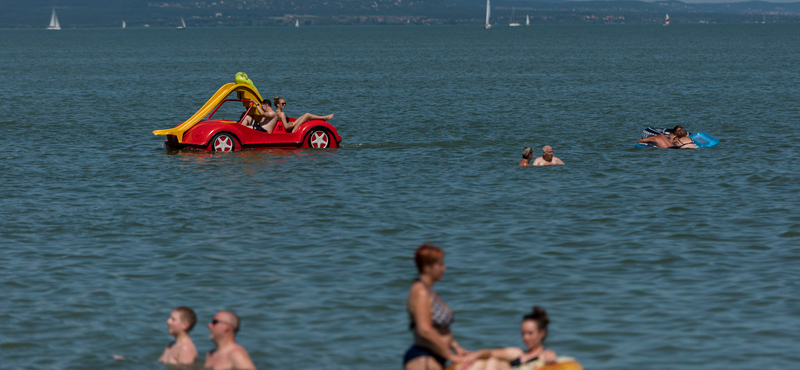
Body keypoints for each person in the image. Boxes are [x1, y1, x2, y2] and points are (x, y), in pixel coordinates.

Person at [405, 243, 469, 370]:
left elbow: (439, 328)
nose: (444, 268)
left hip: (436, 357)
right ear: (427, 267)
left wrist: (456, 347)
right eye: (440, 265)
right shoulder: (421, 291)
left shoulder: (429, 291)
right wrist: (450, 356)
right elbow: (425, 330)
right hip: (423, 359)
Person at [460, 306, 557, 370]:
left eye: (530, 333)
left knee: (493, 362)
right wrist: (476, 355)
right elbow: (491, 352)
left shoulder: (543, 355)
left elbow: (550, 356)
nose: (525, 338)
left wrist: (551, 355)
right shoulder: (517, 353)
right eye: (523, 333)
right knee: (480, 362)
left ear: (542, 333)